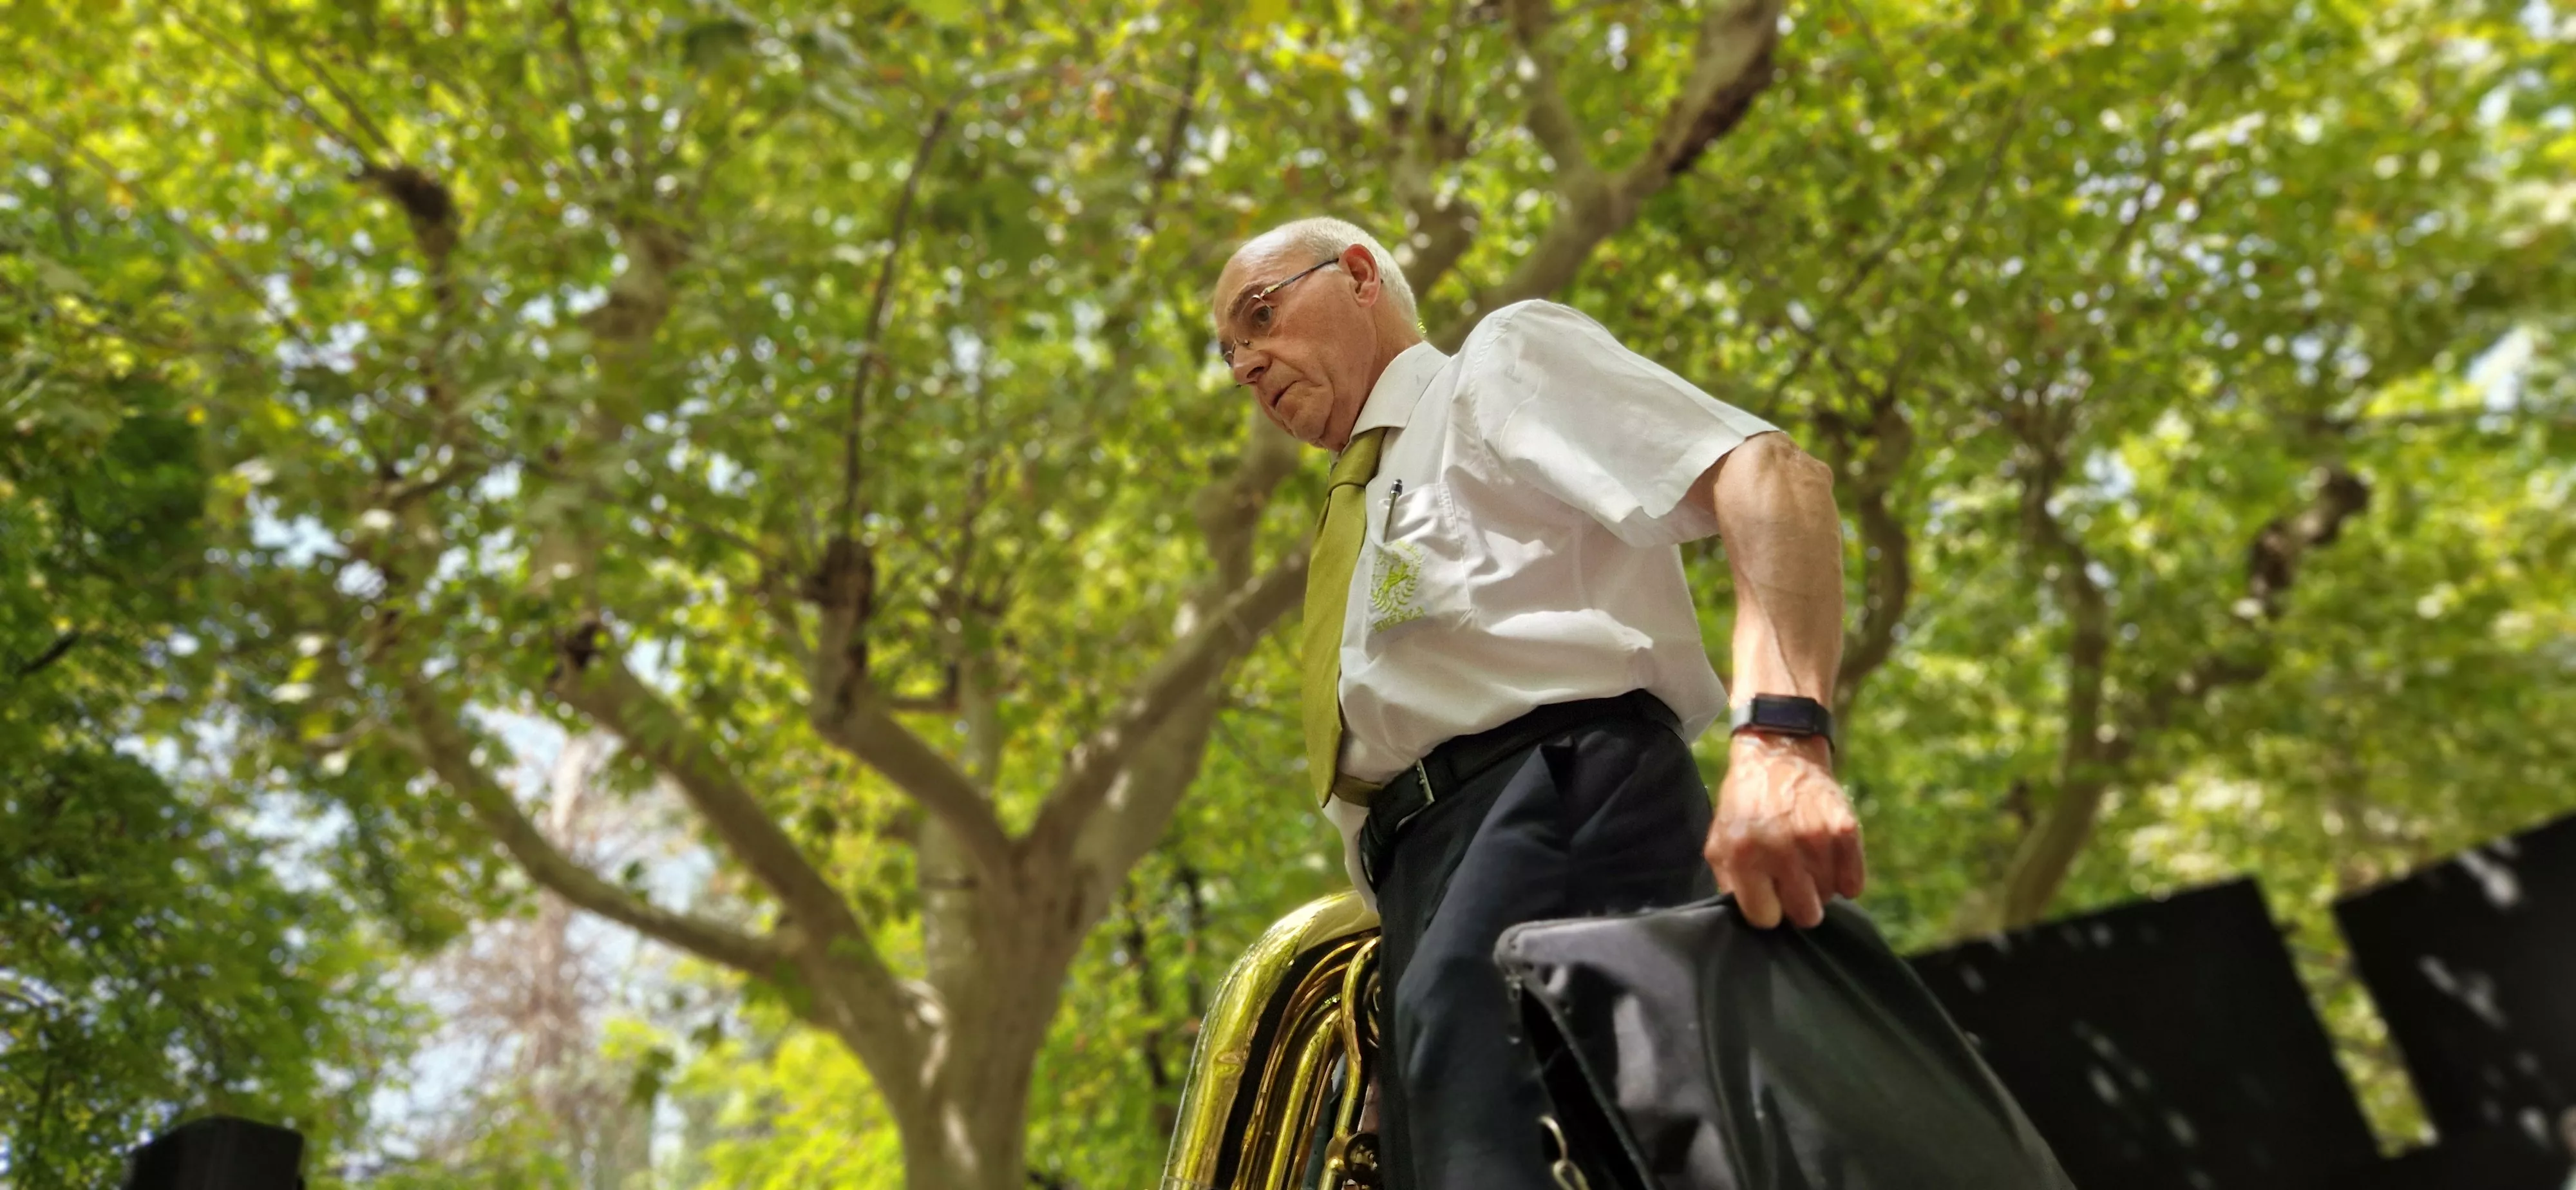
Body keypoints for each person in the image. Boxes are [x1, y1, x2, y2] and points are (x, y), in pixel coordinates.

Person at [1211, 216, 1864, 1189]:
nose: (1248, 364)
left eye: (1260, 316)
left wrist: (1779, 741)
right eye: (1230, 356)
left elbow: (1771, 476)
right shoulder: (1361, 504)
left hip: (1558, 814)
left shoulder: (1496, 367)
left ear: (1358, 277)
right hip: (1432, 899)